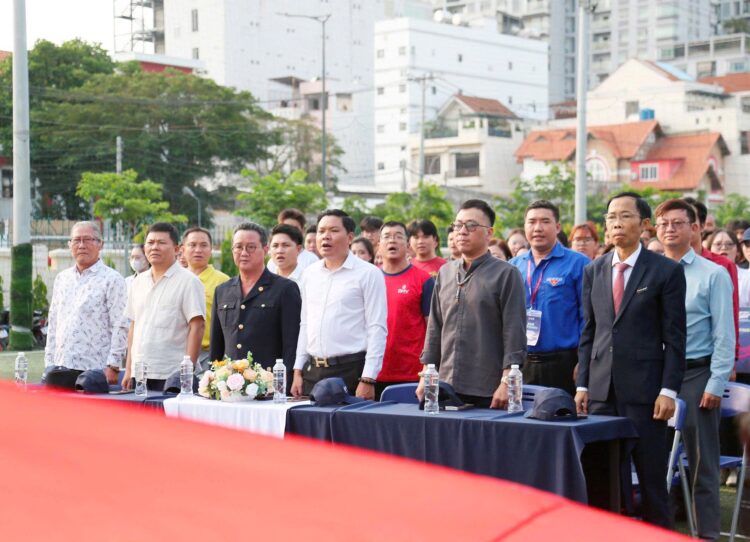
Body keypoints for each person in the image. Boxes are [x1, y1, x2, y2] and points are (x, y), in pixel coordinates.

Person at [575, 192, 686, 529]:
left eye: (625, 216)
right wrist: (583, 385)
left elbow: (675, 338)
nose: (617, 223)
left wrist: (668, 390)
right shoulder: (593, 270)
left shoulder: (665, 271)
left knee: (651, 482)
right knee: (602, 480)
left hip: (646, 394)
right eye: (611, 217)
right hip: (600, 394)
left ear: (645, 224)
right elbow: (589, 332)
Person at [655, 199, 734, 540]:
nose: (669, 229)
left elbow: (724, 335)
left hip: (696, 376)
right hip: (655, 375)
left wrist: (715, 383)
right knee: (653, 459)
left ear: (694, 229)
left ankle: (706, 535)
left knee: (703, 464)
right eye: (663, 224)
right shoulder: (650, 271)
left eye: (677, 223)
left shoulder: (712, 274)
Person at [418, 199, 526, 408]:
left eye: (471, 225)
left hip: (487, 387)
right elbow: (434, 328)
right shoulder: (446, 272)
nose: (462, 231)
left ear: (489, 233)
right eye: (458, 225)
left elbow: (514, 332)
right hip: (445, 386)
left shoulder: (506, 274)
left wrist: (506, 381)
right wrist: (426, 373)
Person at [291, 210, 388, 400]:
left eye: (334, 231)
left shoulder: (368, 273)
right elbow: (305, 324)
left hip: (351, 371)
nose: (325, 236)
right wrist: (298, 370)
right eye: (321, 231)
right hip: (312, 372)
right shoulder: (309, 273)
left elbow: (377, 328)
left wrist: (368, 378)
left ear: (350, 237)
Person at [509, 201, 588, 396]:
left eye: (545, 221)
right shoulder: (512, 267)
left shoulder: (579, 263)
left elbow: (588, 318)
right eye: (532, 222)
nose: (538, 228)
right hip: (521, 364)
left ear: (558, 227)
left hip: (564, 364)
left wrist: (584, 362)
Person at [210, 223, 301, 387]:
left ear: (265, 250)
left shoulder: (284, 289)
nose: (244, 253)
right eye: (238, 247)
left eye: (251, 247)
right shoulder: (222, 290)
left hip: (268, 384)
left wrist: (285, 384)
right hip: (229, 386)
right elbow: (216, 345)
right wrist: (213, 380)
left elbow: (291, 343)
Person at [123, 222, 205, 391]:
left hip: (172, 374)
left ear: (177, 249)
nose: (154, 247)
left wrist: (186, 373)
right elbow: (133, 327)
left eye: (161, 242)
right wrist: (129, 370)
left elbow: (197, 327)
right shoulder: (137, 282)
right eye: (150, 242)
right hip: (140, 374)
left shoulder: (189, 281)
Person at [45, 221, 128, 384]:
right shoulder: (62, 278)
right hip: (60, 367)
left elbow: (121, 324)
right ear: (70, 244)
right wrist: (49, 363)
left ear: (100, 244)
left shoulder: (112, 279)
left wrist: (113, 365)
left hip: (95, 370)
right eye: (76, 240)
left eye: (88, 239)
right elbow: (54, 322)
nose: (81, 245)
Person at [376, 221, 434, 399]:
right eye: (387, 237)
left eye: (398, 236)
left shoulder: (424, 280)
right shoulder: (370, 278)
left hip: (412, 373)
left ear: (408, 244)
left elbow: (432, 329)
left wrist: (428, 368)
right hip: (373, 372)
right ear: (379, 244)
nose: (392, 240)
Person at [684, 198, 740, 366]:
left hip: (706, 358)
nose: (680, 226)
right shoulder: (663, 264)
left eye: (688, 219)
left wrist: (731, 359)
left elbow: (731, 313)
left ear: (701, 226)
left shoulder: (722, 265)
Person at [182, 227, 229, 373]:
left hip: (208, 355)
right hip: (178, 352)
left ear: (211, 249)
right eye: (192, 245)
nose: (198, 250)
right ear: (182, 249)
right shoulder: (176, 280)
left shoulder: (223, 282)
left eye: (203, 245)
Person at [267, 208, 318, 275]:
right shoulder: (272, 263)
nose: (290, 231)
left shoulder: (312, 260)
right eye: (286, 228)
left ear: (303, 230)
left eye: (295, 228)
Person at [709, 228, 750, 308]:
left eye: (729, 244)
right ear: (709, 249)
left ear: (738, 251)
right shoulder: (702, 277)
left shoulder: (747, 278)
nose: (724, 248)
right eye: (718, 244)